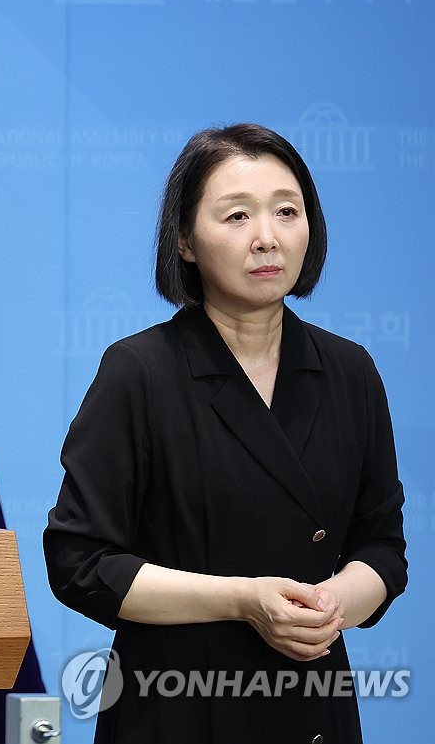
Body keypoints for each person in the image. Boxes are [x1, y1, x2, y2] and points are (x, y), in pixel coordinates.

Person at [44, 123, 406, 743]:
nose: (267, 237)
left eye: (286, 211)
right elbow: (80, 562)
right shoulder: (139, 372)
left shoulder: (350, 370)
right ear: (185, 241)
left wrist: (331, 606)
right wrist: (243, 601)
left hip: (312, 699)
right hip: (176, 704)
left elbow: (382, 547)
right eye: (237, 215)